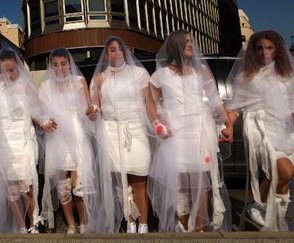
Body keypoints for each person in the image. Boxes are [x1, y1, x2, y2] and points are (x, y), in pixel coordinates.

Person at [147, 30, 233, 232]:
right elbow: (150, 102)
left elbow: (214, 100)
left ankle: (200, 228)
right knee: (180, 180)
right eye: (186, 41)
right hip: (176, 132)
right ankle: (184, 222)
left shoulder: (201, 69)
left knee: (201, 181)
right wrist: (158, 124)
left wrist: (228, 123)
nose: (190, 45)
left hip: (199, 130)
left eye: (191, 41)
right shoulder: (161, 74)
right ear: (175, 45)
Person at [226, 30, 294, 231]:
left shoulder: (287, 75)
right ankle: (262, 207)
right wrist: (228, 126)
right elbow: (234, 108)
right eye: (259, 48)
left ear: (277, 50)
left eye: (269, 47)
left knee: (283, 177)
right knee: (284, 170)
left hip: (284, 127)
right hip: (259, 128)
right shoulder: (245, 77)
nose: (264, 52)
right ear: (253, 52)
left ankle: (275, 220)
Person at [87, 36, 153, 233]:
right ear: (106, 54)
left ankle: (144, 223)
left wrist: (157, 123)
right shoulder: (100, 78)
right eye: (112, 50)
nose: (116, 53)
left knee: (139, 179)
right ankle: (130, 221)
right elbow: (95, 105)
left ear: (126, 51)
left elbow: (149, 103)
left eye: (119, 49)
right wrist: (93, 111)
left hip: (135, 131)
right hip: (111, 132)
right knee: (121, 184)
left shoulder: (140, 74)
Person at [38, 48, 97, 234]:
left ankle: (84, 222)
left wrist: (90, 112)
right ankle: (71, 224)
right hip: (57, 137)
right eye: (55, 64)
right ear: (51, 66)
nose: (59, 68)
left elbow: (86, 109)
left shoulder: (79, 82)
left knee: (79, 182)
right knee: (63, 184)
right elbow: (40, 113)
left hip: (77, 134)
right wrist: (45, 121)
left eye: (63, 64)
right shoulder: (45, 87)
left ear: (69, 64)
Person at [0, 49, 43, 233]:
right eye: (6, 71)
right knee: (11, 188)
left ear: (18, 67)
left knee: (27, 185)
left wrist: (44, 121)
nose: (10, 74)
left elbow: (36, 112)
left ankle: (33, 223)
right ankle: (21, 227)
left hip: (24, 139)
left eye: (12, 69)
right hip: (5, 142)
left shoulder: (27, 86)